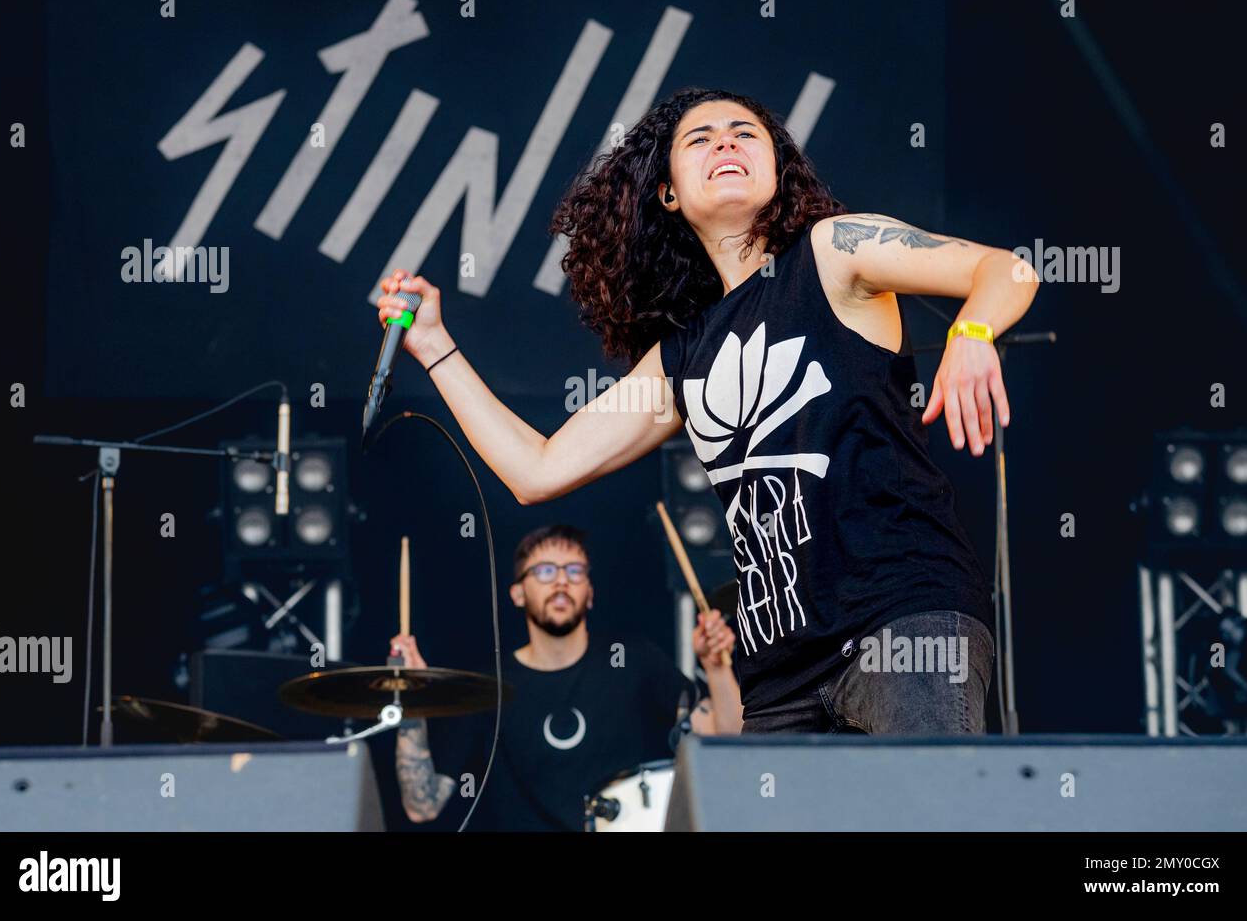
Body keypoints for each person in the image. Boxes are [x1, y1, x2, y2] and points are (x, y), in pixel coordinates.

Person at [375, 86, 1039, 735]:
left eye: (745, 133)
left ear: (777, 170)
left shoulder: (836, 251)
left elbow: (1007, 272)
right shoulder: (682, 359)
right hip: (783, 670)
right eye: (700, 138)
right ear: (668, 192)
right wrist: (435, 346)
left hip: (902, 616)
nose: (725, 140)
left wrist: (972, 334)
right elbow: (537, 469)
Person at [393, 523, 741, 830]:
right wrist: (411, 702)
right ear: (517, 593)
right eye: (544, 571)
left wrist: (716, 667)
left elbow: (729, 740)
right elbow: (422, 807)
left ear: (589, 593)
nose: (561, 580)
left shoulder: (635, 660)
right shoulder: (486, 689)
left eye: (575, 571)